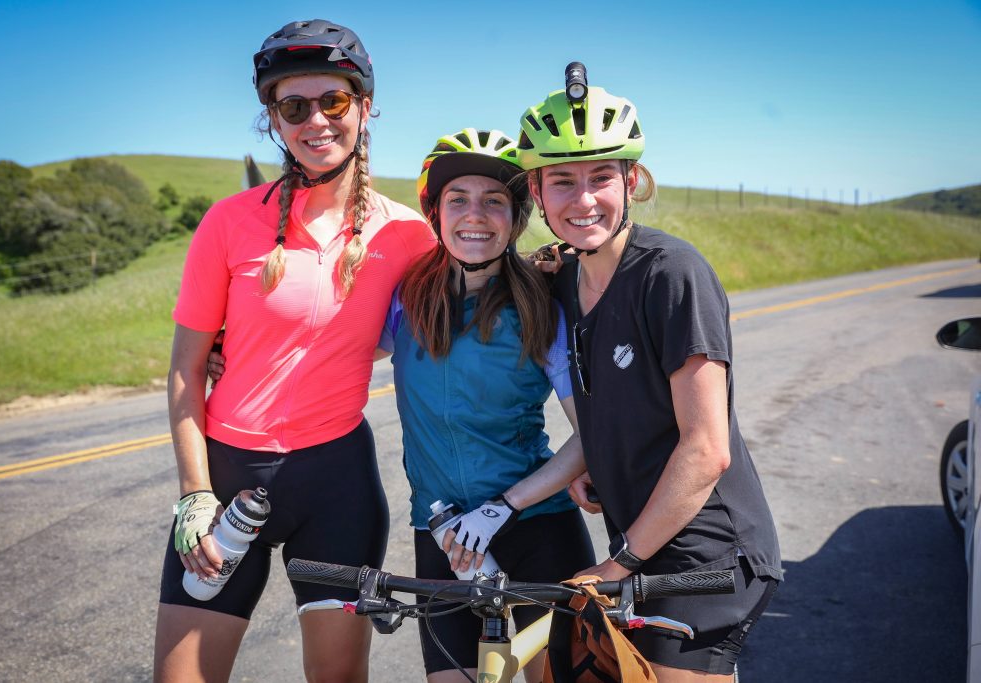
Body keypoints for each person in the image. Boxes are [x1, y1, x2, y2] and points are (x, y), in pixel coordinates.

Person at [153, 19, 435, 683]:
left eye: (333, 101)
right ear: (273, 120)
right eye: (293, 105)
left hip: (336, 482)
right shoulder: (228, 222)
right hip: (225, 478)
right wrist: (195, 493)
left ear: (365, 108)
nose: (316, 120)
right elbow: (186, 369)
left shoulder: (408, 234)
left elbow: (474, 302)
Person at [516, 70, 782, 682]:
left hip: (705, 554)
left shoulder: (672, 275)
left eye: (601, 178)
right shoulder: (563, 280)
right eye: (562, 181)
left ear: (630, 180)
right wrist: (594, 466)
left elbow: (706, 448)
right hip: (642, 544)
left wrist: (618, 565)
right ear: (537, 189)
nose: (584, 200)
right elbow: (614, 406)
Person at [379, 128, 597, 682]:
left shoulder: (545, 308)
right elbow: (324, 353)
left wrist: (507, 505)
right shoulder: (406, 300)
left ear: (516, 218)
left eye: (494, 200)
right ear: (435, 211)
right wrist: (221, 349)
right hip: (443, 534)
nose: (474, 214)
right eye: (458, 199)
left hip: (538, 528)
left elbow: (590, 435)